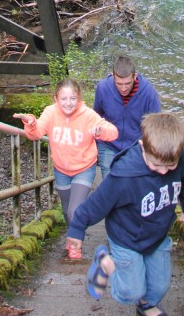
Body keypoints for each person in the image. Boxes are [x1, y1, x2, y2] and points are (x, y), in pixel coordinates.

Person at [65, 112, 184, 316]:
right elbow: (97, 202)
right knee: (130, 291)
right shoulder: (124, 176)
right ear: (143, 146)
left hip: (157, 235)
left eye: (170, 166)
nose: (163, 172)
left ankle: (146, 305)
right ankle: (106, 263)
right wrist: (77, 227)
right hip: (126, 237)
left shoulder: (178, 156)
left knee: (159, 286)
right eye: (156, 165)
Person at [13, 77, 118, 261]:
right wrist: (30, 123)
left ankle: (76, 245)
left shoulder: (88, 115)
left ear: (79, 98)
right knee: (66, 210)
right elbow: (37, 133)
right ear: (56, 98)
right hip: (61, 170)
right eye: (64, 99)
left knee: (74, 211)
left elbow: (113, 132)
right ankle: (72, 238)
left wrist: (100, 132)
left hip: (84, 168)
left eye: (72, 99)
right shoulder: (50, 112)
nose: (68, 103)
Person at [93, 54, 162, 178]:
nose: (123, 88)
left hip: (136, 146)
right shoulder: (103, 88)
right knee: (110, 183)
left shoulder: (148, 92)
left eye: (127, 83)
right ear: (113, 76)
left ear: (135, 77)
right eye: (119, 84)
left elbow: (156, 126)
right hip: (108, 144)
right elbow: (96, 117)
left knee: (133, 185)